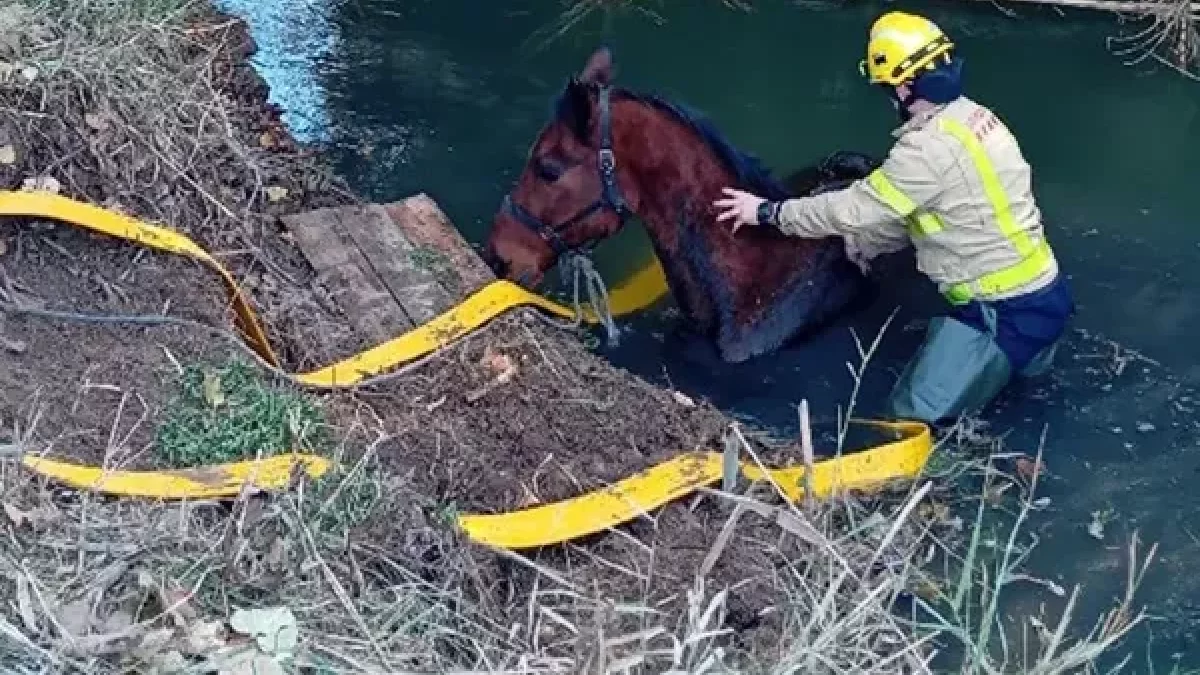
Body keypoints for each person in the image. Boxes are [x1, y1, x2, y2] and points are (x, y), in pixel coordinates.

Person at [712, 10, 1075, 425]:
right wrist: (872, 244)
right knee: (1024, 411)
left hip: (998, 317)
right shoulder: (977, 119)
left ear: (903, 86)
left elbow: (850, 209)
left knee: (907, 423)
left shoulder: (924, 150)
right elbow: (940, 211)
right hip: (1047, 296)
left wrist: (767, 212)